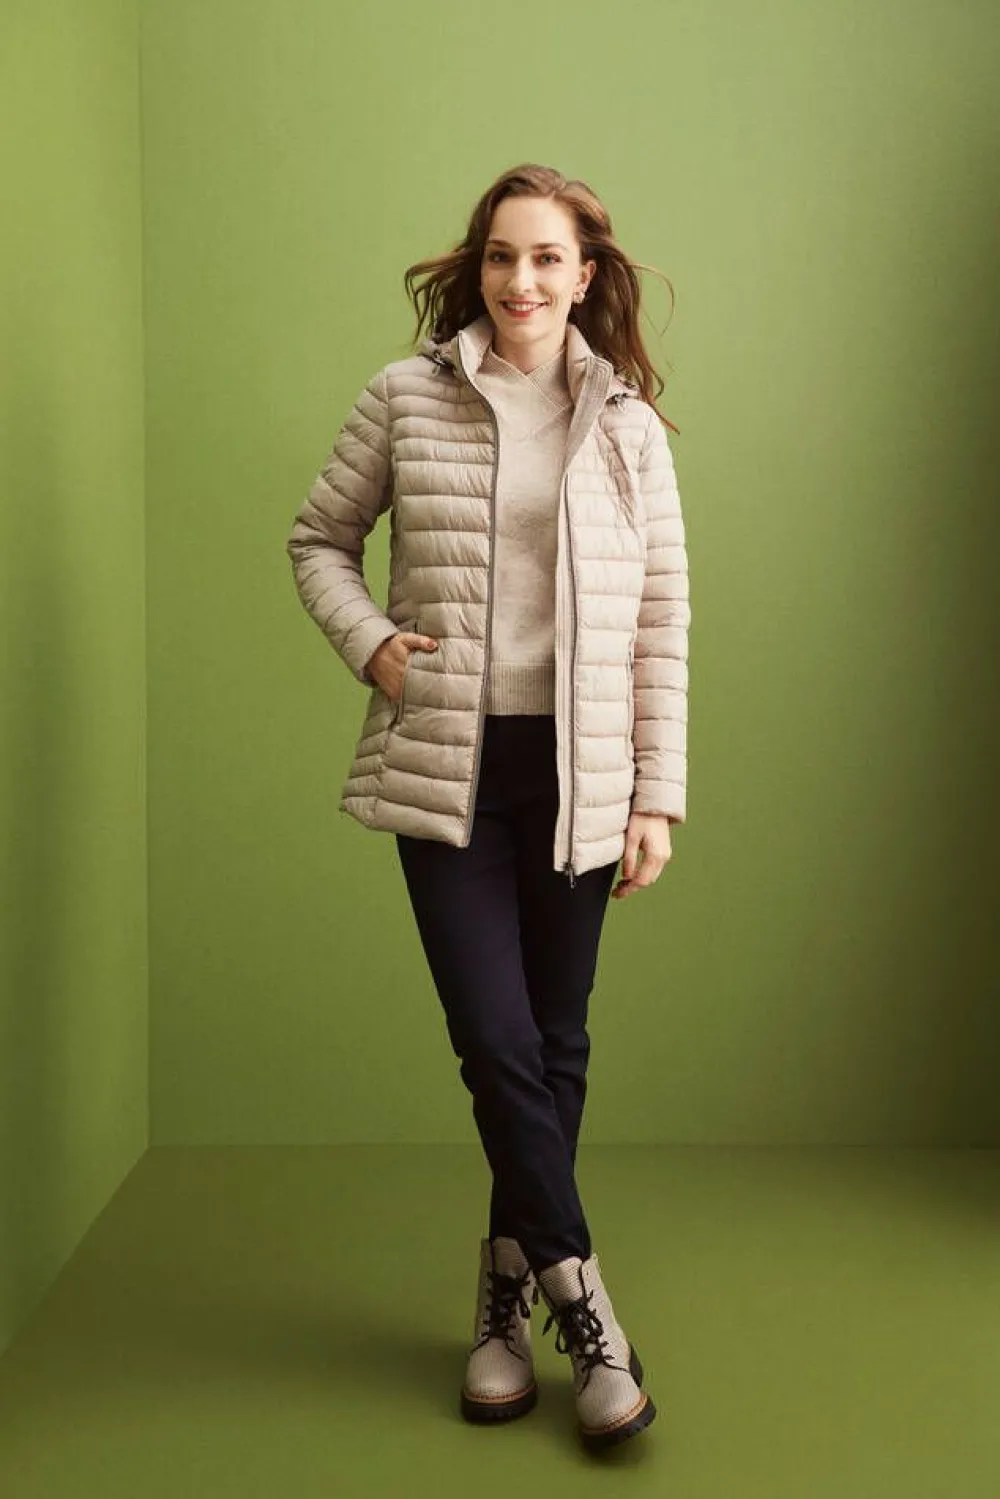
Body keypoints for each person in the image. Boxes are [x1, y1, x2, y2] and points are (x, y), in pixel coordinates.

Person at [286, 162, 690, 1453]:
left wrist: (656, 795)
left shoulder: (626, 427)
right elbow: (317, 540)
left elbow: (661, 620)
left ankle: (502, 1312)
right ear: (479, 268)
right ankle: (588, 1306)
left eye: (547, 258)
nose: (522, 280)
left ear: (585, 275)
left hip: (582, 775)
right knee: (495, 1040)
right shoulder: (405, 396)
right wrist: (373, 646)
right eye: (503, 256)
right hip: (447, 765)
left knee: (556, 1042)